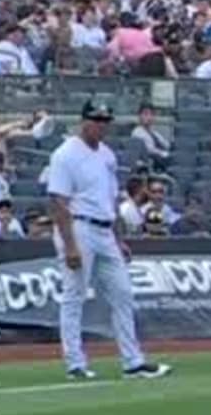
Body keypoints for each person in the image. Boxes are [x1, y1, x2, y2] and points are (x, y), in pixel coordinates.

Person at [41, 100, 169, 382]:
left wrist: (118, 238)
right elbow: (58, 202)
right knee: (74, 296)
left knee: (123, 294)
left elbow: (109, 201)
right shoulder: (65, 154)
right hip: (78, 226)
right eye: (96, 120)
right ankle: (75, 363)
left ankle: (132, 362)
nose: (101, 125)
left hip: (103, 229)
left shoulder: (107, 155)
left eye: (105, 120)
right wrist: (70, 245)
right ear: (83, 120)